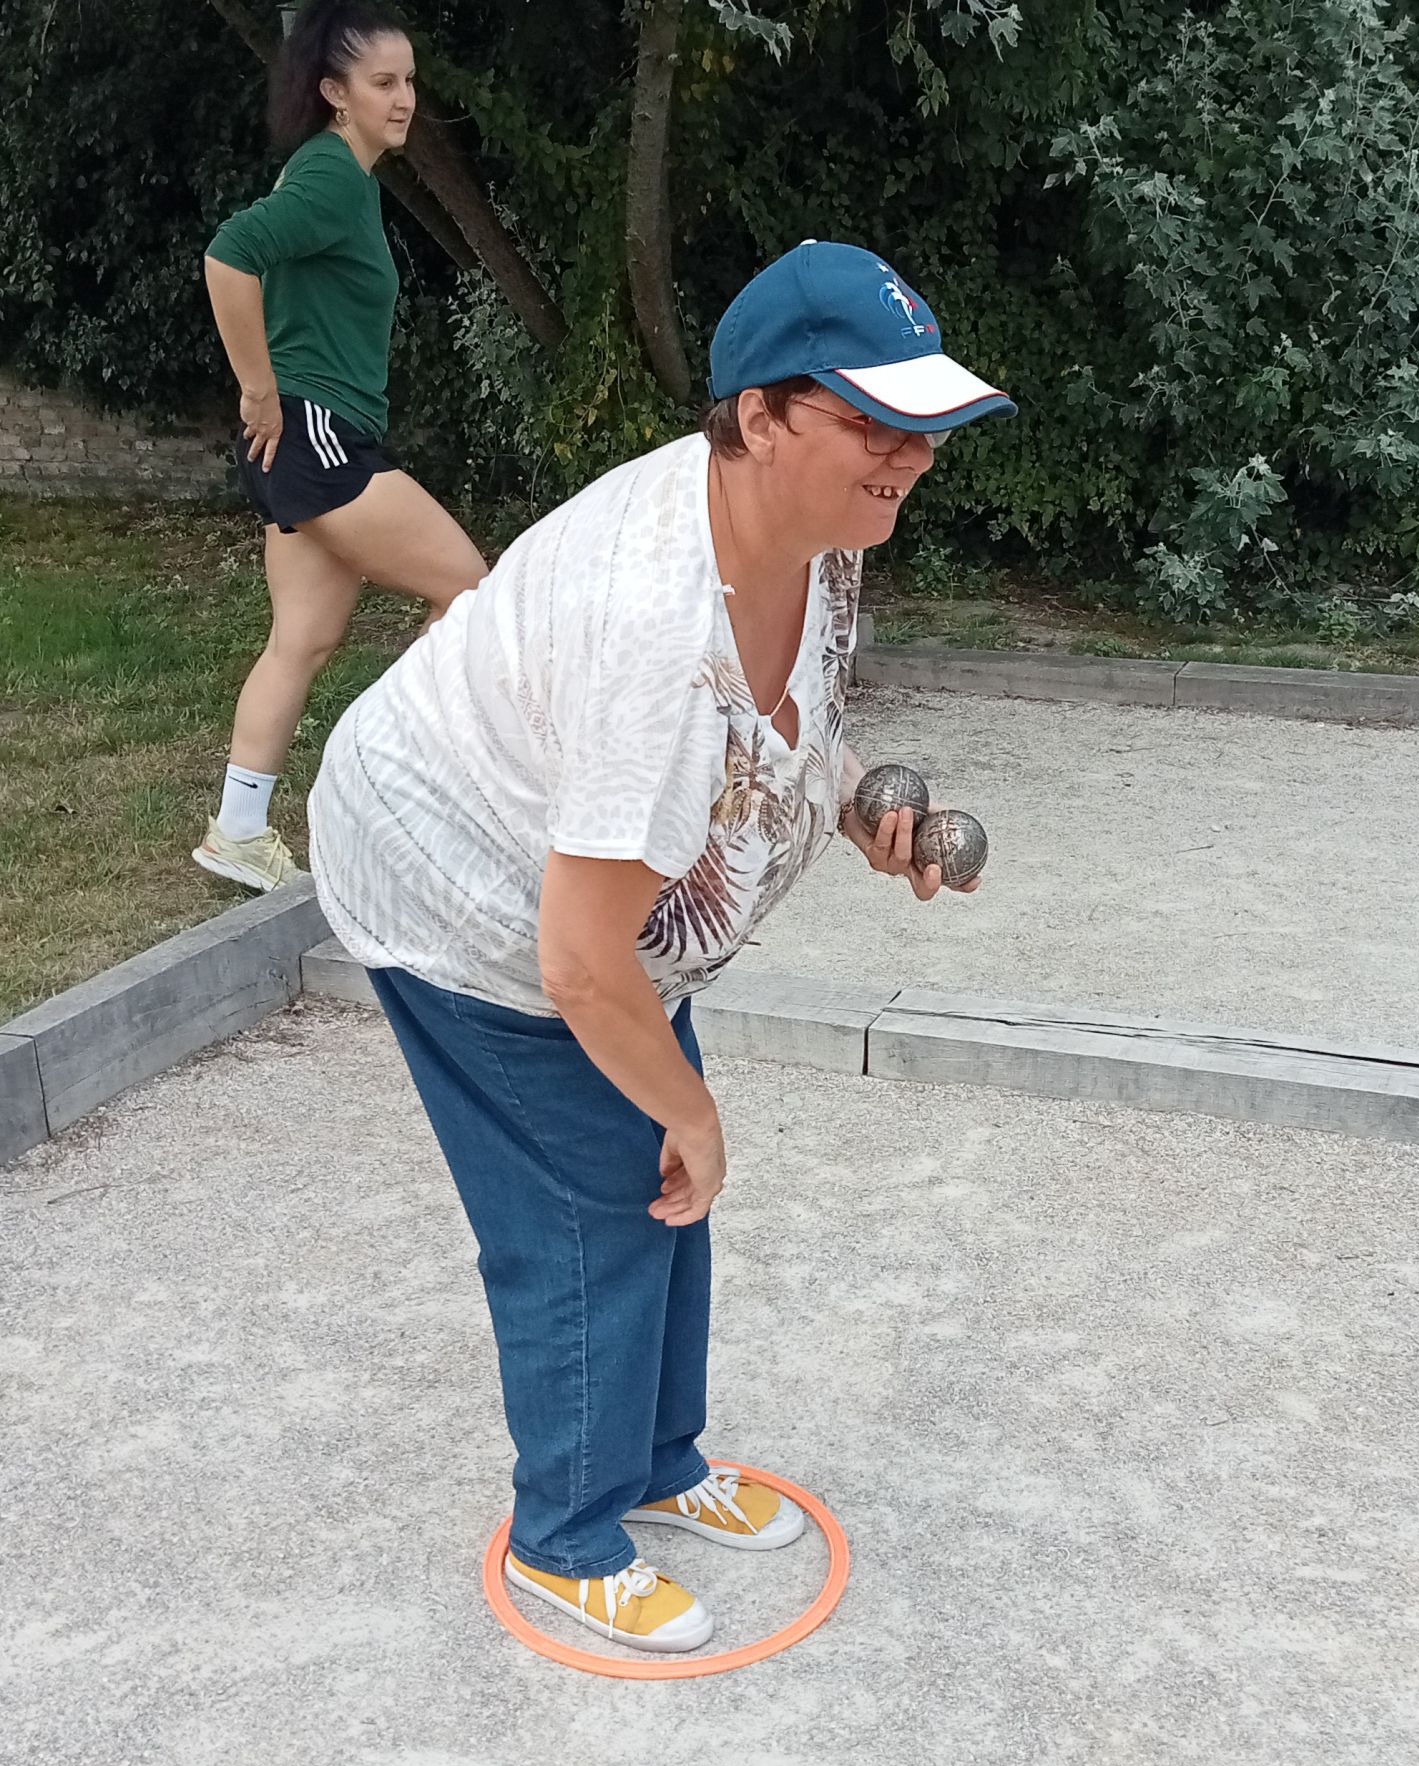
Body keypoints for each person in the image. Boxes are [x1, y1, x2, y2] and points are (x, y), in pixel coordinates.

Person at [309, 241, 1018, 1652]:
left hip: (586, 905)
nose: (911, 458)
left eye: (930, 429)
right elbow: (577, 961)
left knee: (666, 1180)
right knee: (598, 1193)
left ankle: (659, 1463)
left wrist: (855, 802)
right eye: (878, 423)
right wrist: (692, 1104)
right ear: (760, 414)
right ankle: (568, 1535)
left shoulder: (812, 540)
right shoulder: (651, 616)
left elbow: (774, 728)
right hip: (463, 895)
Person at [195, 0, 486, 893]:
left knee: (306, 634)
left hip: (303, 436)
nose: (404, 99)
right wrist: (259, 388)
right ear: (335, 92)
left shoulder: (335, 176)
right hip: (315, 432)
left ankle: (239, 831)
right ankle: (388, 790)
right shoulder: (329, 176)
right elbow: (228, 255)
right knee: (469, 590)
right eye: (383, 83)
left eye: (409, 82)